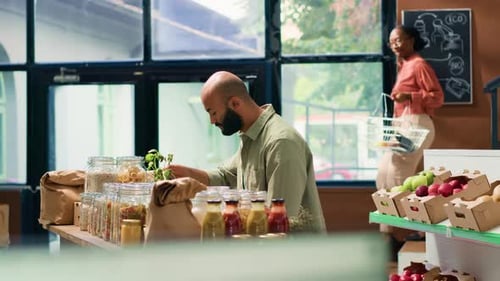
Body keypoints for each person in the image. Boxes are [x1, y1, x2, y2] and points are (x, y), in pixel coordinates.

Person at [167, 71, 326, 233]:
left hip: (293, 253)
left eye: (213, 113)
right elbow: (225, 177)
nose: (212, 121)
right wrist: (186, 173)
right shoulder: (250, 137)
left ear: (235, 103)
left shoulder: (280, 142)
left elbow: (279, 218)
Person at [376, 25, 444, 257]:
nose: (395, 45)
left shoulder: (419, 65)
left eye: (399, 40)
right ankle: (388, 234)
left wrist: (411, 96)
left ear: (411, 40)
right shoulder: (405, 66)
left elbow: (437, 97)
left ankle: (411, 231)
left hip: (416, 123)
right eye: (391, 42)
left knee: (398, 176)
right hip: (403, 124)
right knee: (384, 174)